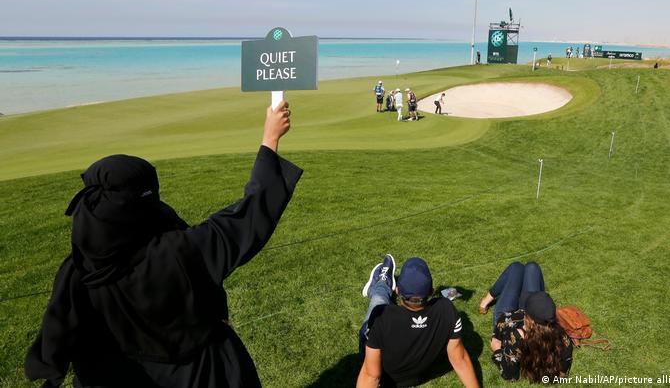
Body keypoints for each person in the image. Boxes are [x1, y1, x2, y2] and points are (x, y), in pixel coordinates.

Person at [24, 102, 303, 388]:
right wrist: (270, 139)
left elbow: (58, 336)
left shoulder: (76, 272)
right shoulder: (182, 251)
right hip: (204, 377)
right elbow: (248, 216)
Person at [357, 255, 480, 388]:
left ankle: (382, 282)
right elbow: (459, 359)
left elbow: (372, 375)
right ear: (431, 292)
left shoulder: (381, 317)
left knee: (379, 300)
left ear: (397, 291)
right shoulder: (447, 310)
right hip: (423, 374)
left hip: (390, 379)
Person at [478, 262, 573, 383]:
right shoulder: (563, 338)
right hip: (529, 318)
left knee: (516, 268)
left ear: (529, 317)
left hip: (507, 320)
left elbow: (510, 375)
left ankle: (485, 302)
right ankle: (489, 300)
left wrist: (496, 349)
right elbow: (562, 375)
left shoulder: (516, 336)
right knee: (532, 267)